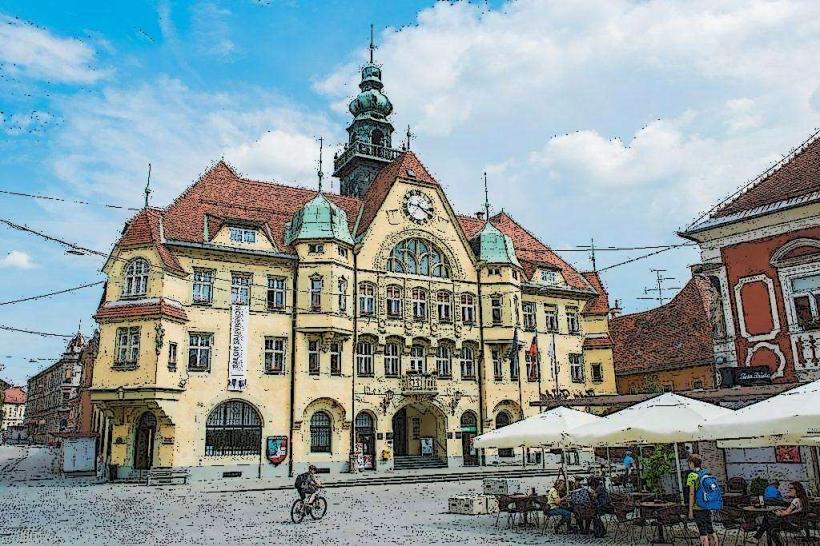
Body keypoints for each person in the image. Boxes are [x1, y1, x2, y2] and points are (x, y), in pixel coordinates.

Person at [753, 481, 808, 546]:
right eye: (789, 488)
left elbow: (783, 514)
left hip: (790, 523)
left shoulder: (795, 501)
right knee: (768, 523)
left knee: (767, 521)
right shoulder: (802, 499)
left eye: (791, 488)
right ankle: (757, 537)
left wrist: (774, 511)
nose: (789, 490)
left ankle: (757, 537)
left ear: (797, 489)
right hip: (795, 521)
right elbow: (790, 511)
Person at [686, 454, 720, 546]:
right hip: (707, 505)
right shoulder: (706, 473)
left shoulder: (692, 475)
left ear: (692, 463)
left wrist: (690, 510)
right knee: (710, 529)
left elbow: (691, 494)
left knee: (702, 532)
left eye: (689, 463)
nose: (689, 465)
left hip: (698, 507)